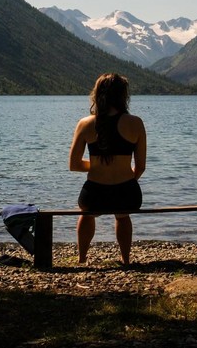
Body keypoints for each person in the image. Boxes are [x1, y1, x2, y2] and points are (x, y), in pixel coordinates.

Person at [68, 73, 147, 265]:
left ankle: (82, 259)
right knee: (123, 216)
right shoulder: (135, 123)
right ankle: (126, 259)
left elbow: (74, 165)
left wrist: (96, 164)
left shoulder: (85, 123)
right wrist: (127, 178)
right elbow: (141, 166)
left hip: (94, 193)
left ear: (97, 94)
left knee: (86, 214)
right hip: (127, 193)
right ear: (123, 96)